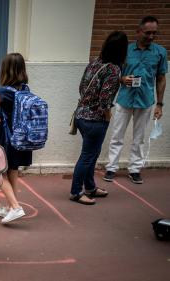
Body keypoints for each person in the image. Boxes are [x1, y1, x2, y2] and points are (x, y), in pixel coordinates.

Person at [103, 16, 167, 184]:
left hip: (146, 100)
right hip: (124, 99)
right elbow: (113, 72)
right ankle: (111, 167)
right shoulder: (126, 50)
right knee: (117, 136)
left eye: (155, 33)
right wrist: (122, 79)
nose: (151, 36)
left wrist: (159, 104)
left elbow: (161, 78)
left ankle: (135, 169)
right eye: (148, 33)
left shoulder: (160, 52)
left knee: (139, 139)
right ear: (138, 32)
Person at [70, 31, 128, 205]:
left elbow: (82, 87)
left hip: (81, 116)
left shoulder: (95, 62)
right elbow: (104, 100)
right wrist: (107, 115)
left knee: (92, 154)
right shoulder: (113, 69)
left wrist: (119, 80)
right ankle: (75, 192)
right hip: (95, 120)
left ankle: (90, 188)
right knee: (88, 156)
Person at [0, 53, 29, 224]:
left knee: (0, 172)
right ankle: (10, 207)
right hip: (21, 138)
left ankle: (15, 207)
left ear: (5, 71)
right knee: (13, 171)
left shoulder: (1, 92)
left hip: (7, 139)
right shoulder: (25, 89)